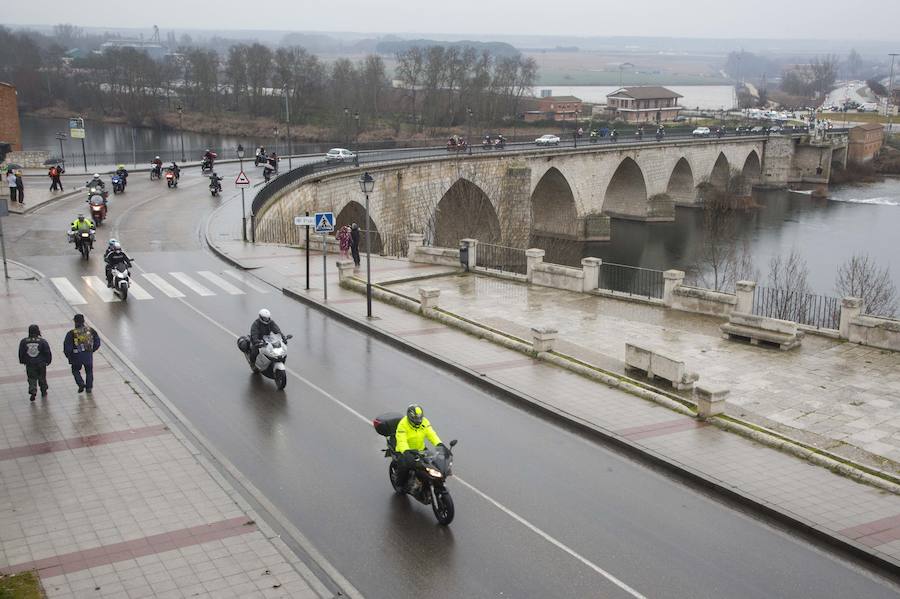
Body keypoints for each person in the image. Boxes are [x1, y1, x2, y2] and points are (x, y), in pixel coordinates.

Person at [393, 404, 443, 492]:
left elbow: (431, 434)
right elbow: (401, 440)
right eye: (415, 418)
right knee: (404, 466)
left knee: (434, 464)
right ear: (410, 417)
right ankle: (399, 484)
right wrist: (406, 451)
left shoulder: (424, 422)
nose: (418, 421)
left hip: (420, 450)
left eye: (419, 418)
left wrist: (439, 444)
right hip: (405, 451)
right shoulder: (403, 424)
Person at [63, 314, 100, 393]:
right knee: (89, 371)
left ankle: (80, 383)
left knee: (75, 370)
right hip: (88, 355)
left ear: (75, 322)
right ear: (83, 321)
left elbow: (67, 347)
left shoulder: (71, 333)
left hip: (76, 356)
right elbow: (97, 342)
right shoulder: (90, 330)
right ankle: (89, 387)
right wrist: (92, 350)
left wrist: (69, 356)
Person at [18, 324, 52, 401]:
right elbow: (47, 352)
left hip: (30, 363)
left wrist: (22, 360)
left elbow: (21, 352)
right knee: (42, 377)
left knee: (31, 378)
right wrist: (48, 360)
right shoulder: (42, 341)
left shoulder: (24, 341)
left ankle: (33, 390)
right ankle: (43, 390)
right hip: (41, 363)